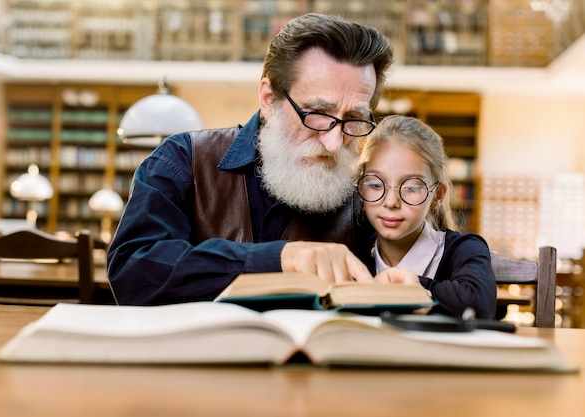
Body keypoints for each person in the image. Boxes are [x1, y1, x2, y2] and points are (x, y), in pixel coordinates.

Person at [107, 13, 394, 305]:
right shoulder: (182, 160)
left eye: (355, 119)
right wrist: (278, 259)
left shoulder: (369, 195)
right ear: (269, 99)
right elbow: (133, 273)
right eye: (317, 114)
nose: (334, 144)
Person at [354, 115, 496, 319]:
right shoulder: (352, 249)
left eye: (411, 187)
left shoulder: (464, 248)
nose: (391, 202)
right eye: (376, 185)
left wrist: (415, 289)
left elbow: (479, 304)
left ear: (437, 195)